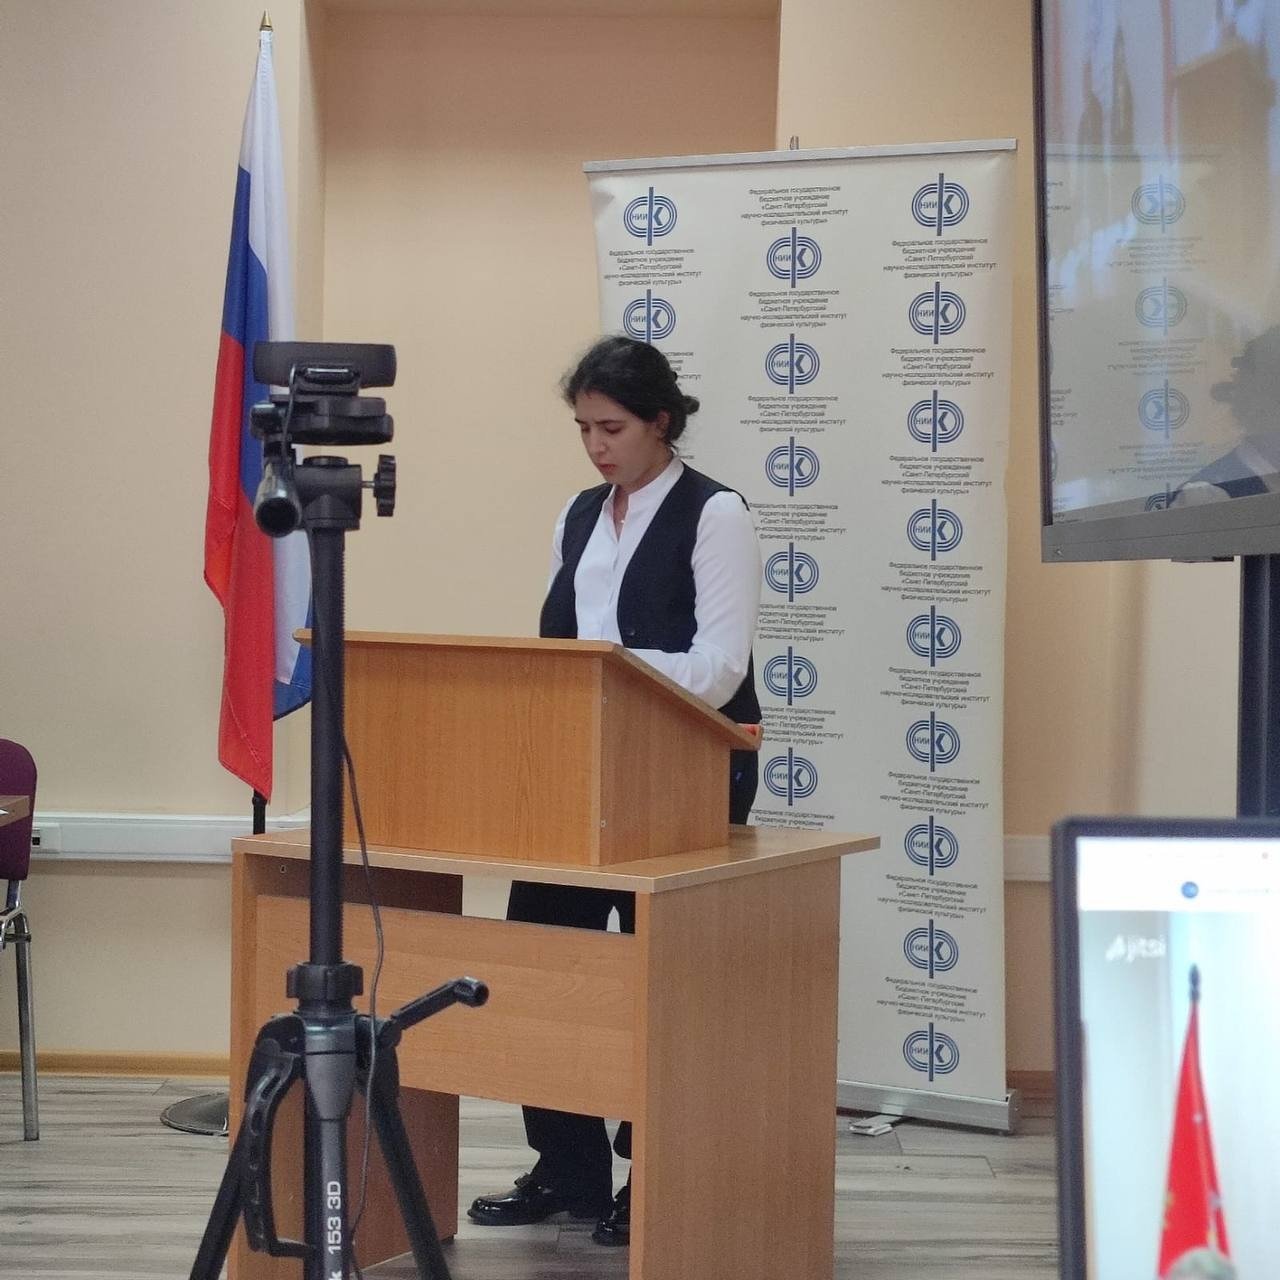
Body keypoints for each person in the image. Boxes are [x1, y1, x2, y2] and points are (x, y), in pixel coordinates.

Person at [466, 335, 762, 1247]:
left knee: (653, 979)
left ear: (660, 422)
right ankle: (569, 1168)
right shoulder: (579, 513)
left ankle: (657, 1170)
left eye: (613, 428)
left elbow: (719, 668)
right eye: (584, 429)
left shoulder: (716, 514)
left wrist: (609, 667)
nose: (596, 446)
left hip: (681, 774)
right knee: (545, 963)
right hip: (578, 771)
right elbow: (561, 648)